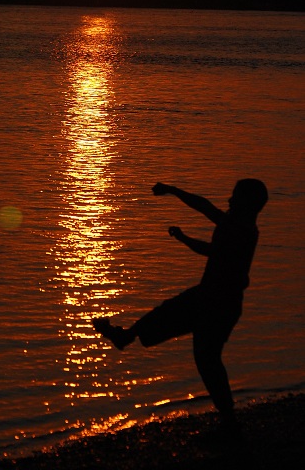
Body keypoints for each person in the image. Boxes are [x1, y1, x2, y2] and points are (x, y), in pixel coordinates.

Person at [93, 179, 269, 433]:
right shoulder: (237, 225)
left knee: (206, 358)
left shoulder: (241, 228)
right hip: (211, 296)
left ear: (247, 204)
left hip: (220, 302)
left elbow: (206, 216)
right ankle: (125, 336)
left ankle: (229, 422)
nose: (229, 201)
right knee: (171, 317)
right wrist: (179, 211)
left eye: (235, 197)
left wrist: (175, 200)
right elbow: (208, 225)